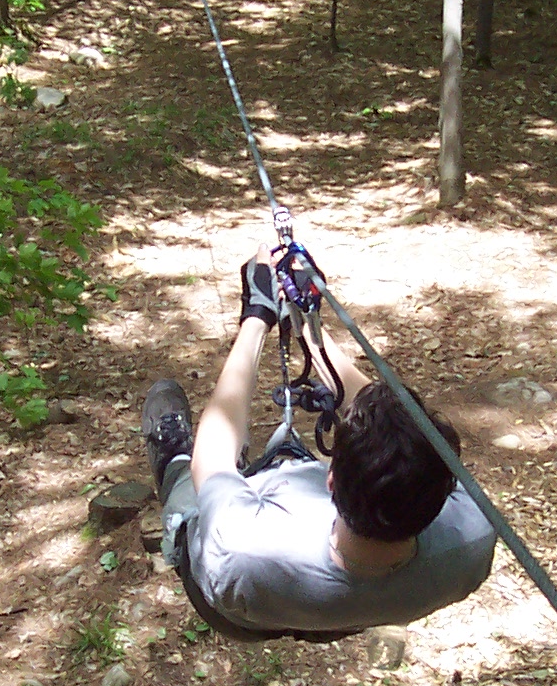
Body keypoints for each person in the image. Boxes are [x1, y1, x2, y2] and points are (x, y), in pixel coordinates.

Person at [140, 249, 495, 640]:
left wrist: (257, 316)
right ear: (445, 492)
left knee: (190, 491)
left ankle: (171, 458)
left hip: (242, 610)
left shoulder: (241, 545)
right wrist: (309, 328)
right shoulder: (475, 535)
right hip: (338, 613)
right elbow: (397, 423)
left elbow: (212, 456)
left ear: (330, 481)